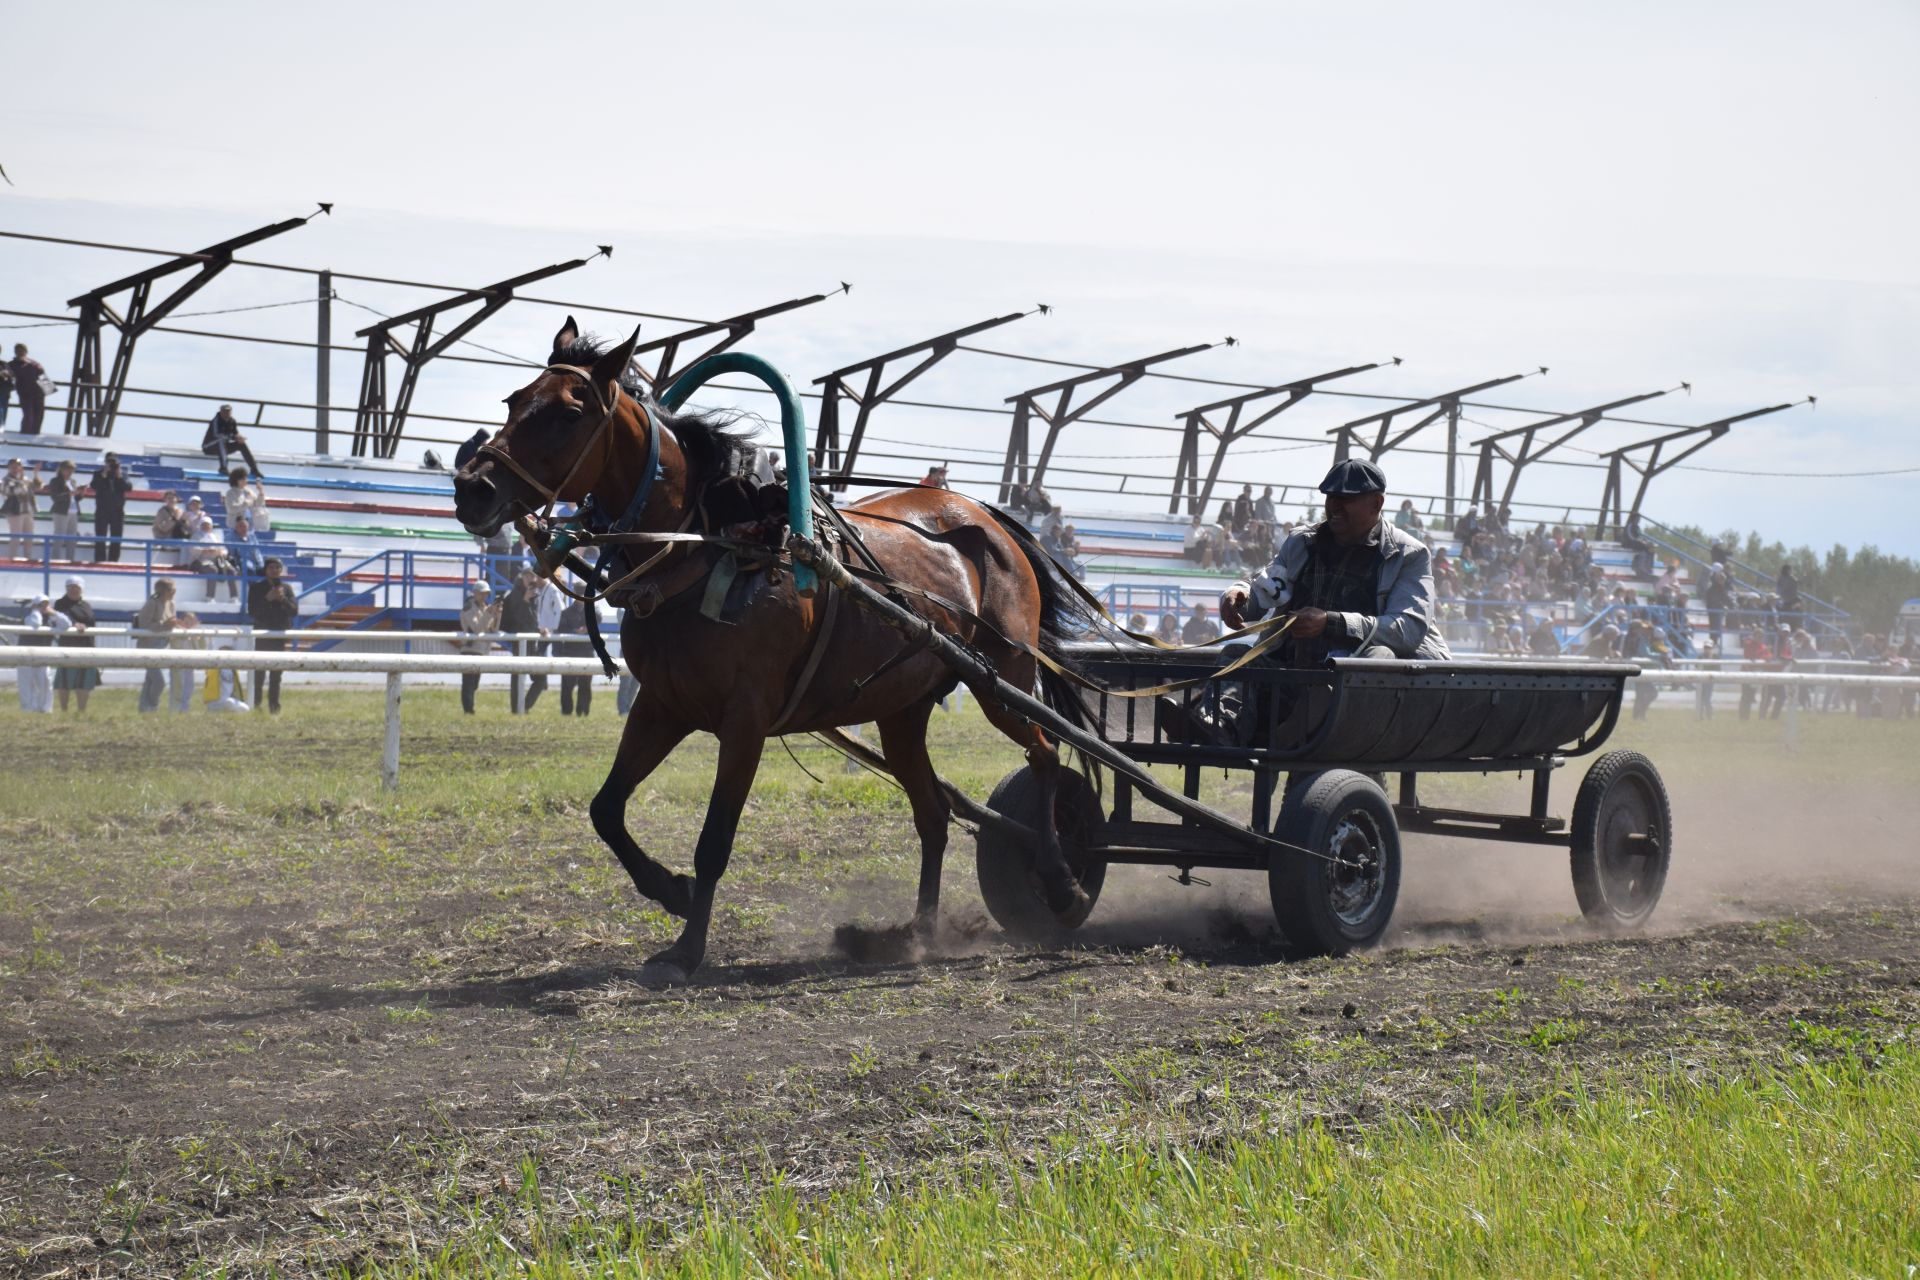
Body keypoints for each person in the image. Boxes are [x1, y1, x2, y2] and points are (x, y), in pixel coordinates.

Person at [248, 556, 298, 713]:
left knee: (276, 673)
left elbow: (294, 611)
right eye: (271, 567)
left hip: (279, 634)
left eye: (278, 568)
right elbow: (253, 612)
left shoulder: (287, 588)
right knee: (259, 672)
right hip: (263, 633)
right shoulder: (256, 588)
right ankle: (256, 704)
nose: (275, 571)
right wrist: (268, 599)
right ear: (266, 569)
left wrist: (282, 599)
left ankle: (274, 706)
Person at [499, 570, 548, 712]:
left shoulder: (535, 594)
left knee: (540, 679)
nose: (531, 578)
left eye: (533, 575)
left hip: (532, 641)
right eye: (528, 576)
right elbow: (517, 620)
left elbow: (533, 619)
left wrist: (540, 629)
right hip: (519, 641)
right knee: (517, 677)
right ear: (522, 577)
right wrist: (525, 601)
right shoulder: (514, 595)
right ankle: (516, 709)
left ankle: (524, 706)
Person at [133, 578, 181, 713]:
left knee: (150, 680)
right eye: (172, 590)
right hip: (148, 647)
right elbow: (144, 625)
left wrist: (176, 624)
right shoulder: (152, 603)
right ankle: (153, 705)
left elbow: (171, 624)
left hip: (162, 646)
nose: (174, 593)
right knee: (159, 682)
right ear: (163, 591)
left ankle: (145, 709)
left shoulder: (171, 604)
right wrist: (165, 625)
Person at [51, 576, 99, 712]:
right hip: (68, 646)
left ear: (81, 589)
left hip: (86, 646)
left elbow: (91, 623)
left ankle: (81, 711)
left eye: (76, 587)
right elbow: (61, 618)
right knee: (64, 681)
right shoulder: (60, 603)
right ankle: (64, 710)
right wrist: (74, 624)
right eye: (70, 587)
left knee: (84, 682)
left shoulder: (86, 605)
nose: (73, 590)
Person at [457, 583, 501, 714]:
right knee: (468, 683)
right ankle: (468, 710)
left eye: (486, 593)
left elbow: (493, 629)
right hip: (470, 649)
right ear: (474, 592)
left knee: (474, 683)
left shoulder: (485, 608)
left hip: (481, 650)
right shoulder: (468, 608)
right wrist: (488, 614)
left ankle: (469, 709)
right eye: (481, 593)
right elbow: (476, 629)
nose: (484, 596)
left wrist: (497, 615)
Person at [15, 592, 59, 713]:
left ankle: (45, 709)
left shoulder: (51, 619)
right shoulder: (29, 617)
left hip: (43, 655)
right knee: (26, 684)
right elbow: (36, 623)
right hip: (25, 654)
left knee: (46, 683)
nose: (44, 607)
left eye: (46, 604)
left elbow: (66, 623)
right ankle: (28, 709)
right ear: (34, 605)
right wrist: (36, 611)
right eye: (41, 604)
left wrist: (54, 613)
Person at [557, 593, 598, 716]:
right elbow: (561, 629)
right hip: (570, 652)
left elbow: (598, 618)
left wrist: (586, 628)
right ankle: (566, 711)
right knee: (567, 685)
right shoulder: (566, 612)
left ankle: (583, 711)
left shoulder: (592, 610)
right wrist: (574, 632)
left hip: (587, 651)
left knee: (585, 684)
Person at [87, 453, 134, 562]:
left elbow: (128, 487)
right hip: (102, 510)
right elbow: (94, 485)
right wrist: (104, 474)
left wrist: (119, 476)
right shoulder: (98, 474)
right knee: (100, 537)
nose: (111, 465)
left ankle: (113, 561)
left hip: (117, 511)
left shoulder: (123, 474)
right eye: (109, 462)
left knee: (116, 538)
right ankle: (100, 560)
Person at [190, 515, 239, 601]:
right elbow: (192, 549)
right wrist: (205, 550)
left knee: (231, 570)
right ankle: (210, 597)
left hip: (217, 559)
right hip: (202, 560)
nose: (206, 526)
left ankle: (234, 597)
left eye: (208, 524)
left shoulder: (216, 536)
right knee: (212, 570)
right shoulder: (196, 536)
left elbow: (224, 550)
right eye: (204, 524)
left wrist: (220, 552)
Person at [202, 405, 261, 477]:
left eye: (228, 411)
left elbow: (235, 433)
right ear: (221, 412)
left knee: (241, 444)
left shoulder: (232, 421)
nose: (226, 413)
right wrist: (233, 437)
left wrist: (239, 438)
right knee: (221, 440)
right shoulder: (216, 420)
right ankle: (223, 468)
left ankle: (254, 469)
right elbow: (217, 434)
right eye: (224, 411)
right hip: (209, 447)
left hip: (223, 448)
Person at [42, 460, 82, 562]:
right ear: (62, 470)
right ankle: (55, 559)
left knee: (72, 538)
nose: (70, 472)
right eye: (68, 470)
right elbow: (55, 497)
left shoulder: (72, 482)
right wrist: (69, 494)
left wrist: (80, 494)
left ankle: (70, 559)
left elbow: (75, 498)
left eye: (72, 470)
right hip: (61, 512)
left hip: (73, 511)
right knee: (59, 536)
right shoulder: (55, 481)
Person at [7, 344, 49, 434]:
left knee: (39, 414)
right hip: (24, 393)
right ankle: (25, 434)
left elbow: (42, 374)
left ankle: (35, 434)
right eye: (17, 350)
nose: (19, 352)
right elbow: (8, 376)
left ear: (26, 351)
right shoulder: (11, 365)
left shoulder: (34, 364)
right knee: (28, 415)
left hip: (38, 392)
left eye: (21, 350)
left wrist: (47, 389)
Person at [168, 612, 204, 713]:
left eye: (191, 622)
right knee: (177, 689)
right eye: (187, 622)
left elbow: (201, 648)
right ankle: (174, 711)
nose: (189, 624)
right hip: (177, 665)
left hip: (189, 665)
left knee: (189, 688)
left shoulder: (195, 634)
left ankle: (184, 710)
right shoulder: (176, 632)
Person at [2, 457, 37, 558]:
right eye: (12, 467)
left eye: (17, 466)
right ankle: (12, 558)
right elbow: (9, 492)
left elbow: (36, 487)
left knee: (29, 537)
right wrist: (20, 482)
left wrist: (35, 474)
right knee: (15, 537)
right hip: (15, 512)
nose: (15, 468)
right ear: (8, 468)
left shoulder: (25, 479)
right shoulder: (6, 480)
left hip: (27, 511)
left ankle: (28, 557)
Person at [223, 467, 270, 533]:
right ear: (237, 480)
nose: (246, 480)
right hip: (236, 527)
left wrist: (261, 492)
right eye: (243, 479)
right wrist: (247, 503)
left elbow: (258, 504)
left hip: (250, 526)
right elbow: (232, 509)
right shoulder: (230, 493)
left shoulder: (248, 491)